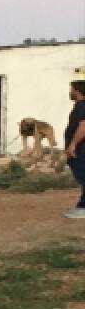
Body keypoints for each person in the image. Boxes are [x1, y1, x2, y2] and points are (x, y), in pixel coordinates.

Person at [64, 80, 85, 219]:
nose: (70, 91)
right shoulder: (80, 106)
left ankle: (83, 207)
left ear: (77, 90)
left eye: (71, 89)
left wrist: (72, 145)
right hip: (79, 148)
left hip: (81, 149)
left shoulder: (82, 106)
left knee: (83, 175)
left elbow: (83, 127)